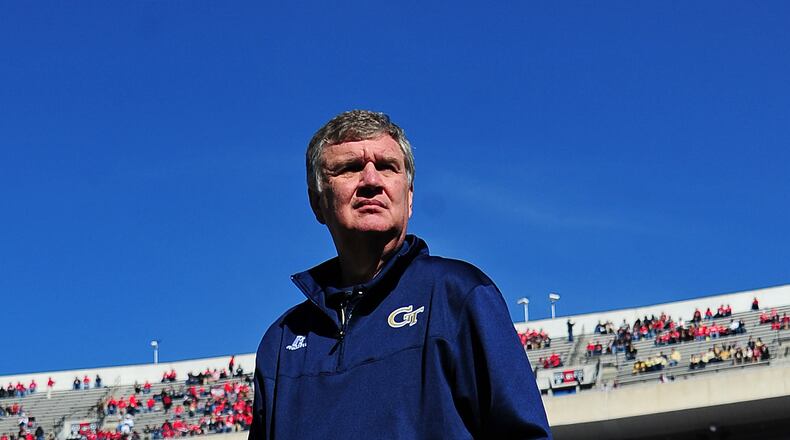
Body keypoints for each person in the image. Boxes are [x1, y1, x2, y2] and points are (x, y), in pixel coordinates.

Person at [249, 110, 551, 439]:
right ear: (317, 202)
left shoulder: (457, 295)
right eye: (349, 168)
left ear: (408, 198)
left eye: (387, 167)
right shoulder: (282, 341)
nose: (371, 181)